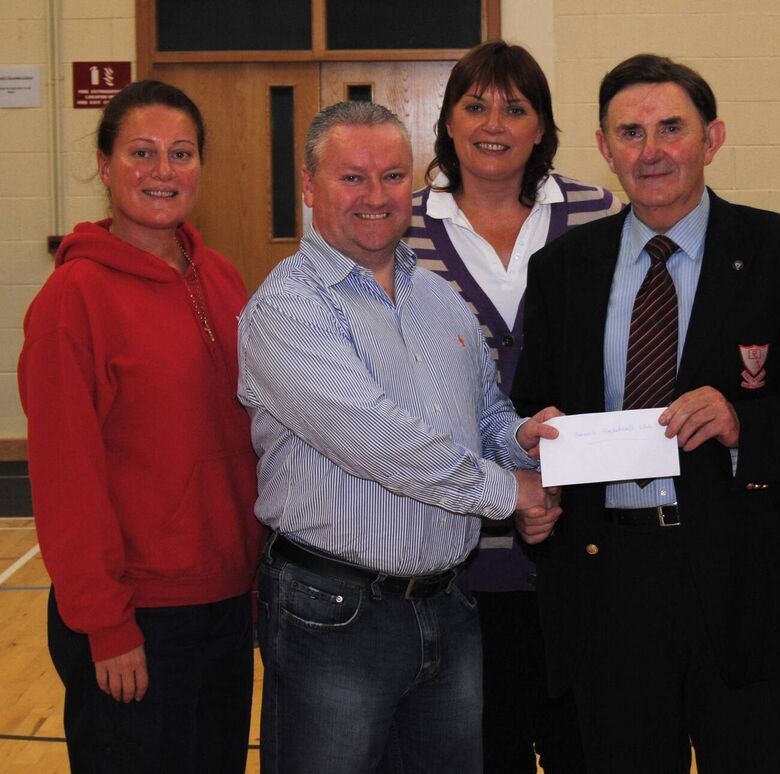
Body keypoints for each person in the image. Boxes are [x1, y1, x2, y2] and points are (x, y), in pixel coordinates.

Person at [511, 54, 780, 774]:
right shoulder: (563, 270)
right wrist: (533, 457)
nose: (653, 150)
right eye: (631, 132)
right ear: (605, 148)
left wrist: (744, 425)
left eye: (672, 127)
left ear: (713, 138)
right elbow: (530, 407)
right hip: (607, 584)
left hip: (749, 582)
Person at [237, 100, 560, 774]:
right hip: (333, 617)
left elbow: (486, 411)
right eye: (351, 178)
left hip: (449, 608)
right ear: (308, 186)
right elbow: (380, 441)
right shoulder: (288, 308)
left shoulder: (440, 298)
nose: (376, 196)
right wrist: (511, 491)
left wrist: (523, 439)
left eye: (391, 176)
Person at [18, 80, 265, 773]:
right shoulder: (73, 299)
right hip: (135, 621)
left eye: (181, 153)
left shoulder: (220, 277)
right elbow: (66, 478)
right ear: (103, 165)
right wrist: (105, 624)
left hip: (223, 606)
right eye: (142, 153)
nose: (163, 171)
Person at [404, 40, 618, 774]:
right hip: (452, 550)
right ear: (449, 122)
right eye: (475, 105)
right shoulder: (398, 228)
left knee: (583, 745)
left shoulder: (596, 212)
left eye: (515, 107)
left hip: (577, 545)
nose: (494, 123)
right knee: (478, 751)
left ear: (541, 126)